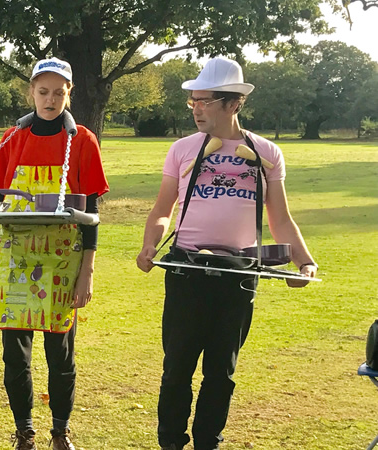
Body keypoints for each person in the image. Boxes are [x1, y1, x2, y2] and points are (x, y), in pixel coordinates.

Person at [135, 57, 318, 450]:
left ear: (233, 103)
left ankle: (208, 444)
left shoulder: (267, 154)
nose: (196, 108)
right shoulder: (183, 150)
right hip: (186, 270)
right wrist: (150, 243)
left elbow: (281, 219)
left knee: (222, 373)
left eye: (205, 100)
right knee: (177, 369)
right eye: (193, 101)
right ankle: (170, 443)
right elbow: (162, 209)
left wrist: (305, 260)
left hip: (239, 274)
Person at [0, 57, 109, 450]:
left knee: (61, 352)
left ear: (68, 93)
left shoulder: (82, 141)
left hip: (63, 262)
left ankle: (60, 431)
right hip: (13, 260)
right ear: (30, 92)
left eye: (59, 92)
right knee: (15, 356)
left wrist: (87, 271)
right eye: (43, 91)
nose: (50, 100)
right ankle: (24, 432)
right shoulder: (12, 139)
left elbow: (92, 216)